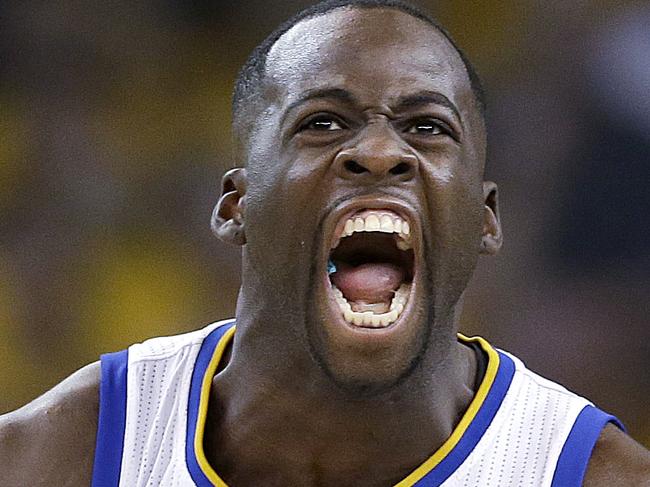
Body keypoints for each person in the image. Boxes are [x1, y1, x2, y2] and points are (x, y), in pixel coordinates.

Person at [1, 1, 649, 485]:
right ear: (236, 206)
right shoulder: (60, 455)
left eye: (426, 126)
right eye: (322, 122)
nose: (376, 151)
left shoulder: (592, 473)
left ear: (486, 220)